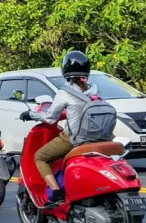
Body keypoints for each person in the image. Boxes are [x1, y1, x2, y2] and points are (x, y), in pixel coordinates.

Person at [20, 49, 99, 205]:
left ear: (65, 69)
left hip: (74, 138)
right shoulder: (94, 90)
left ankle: (56, 192)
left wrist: (30, 114)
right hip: (98, 136)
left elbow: (50, 118)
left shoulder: (65, 92)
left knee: (40, 157)